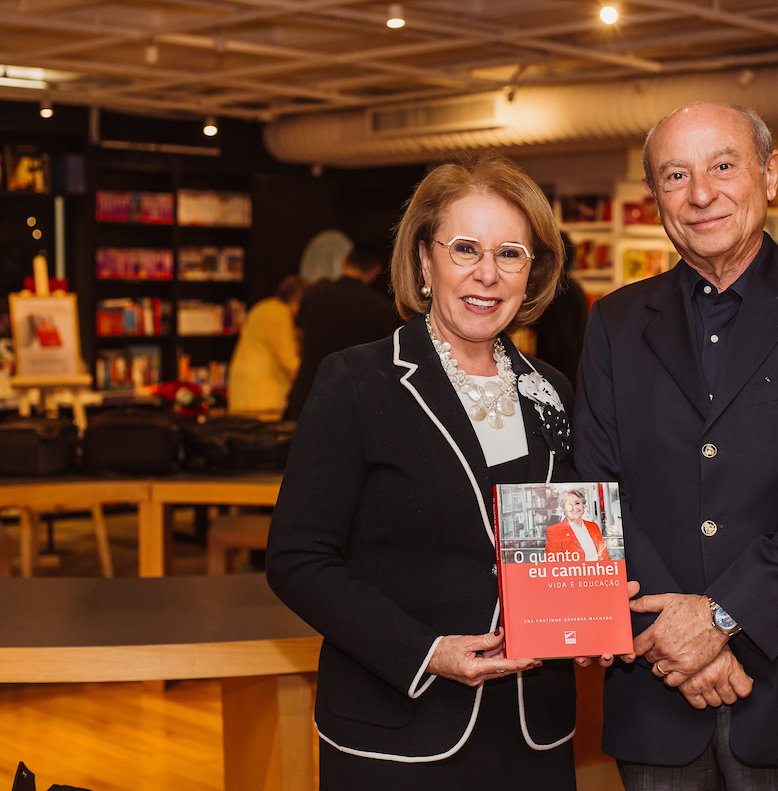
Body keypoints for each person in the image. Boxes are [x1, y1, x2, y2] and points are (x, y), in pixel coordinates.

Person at [575, 102, 778, 789]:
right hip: (657, 687)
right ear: (656, 195)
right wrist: (677, 636)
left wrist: (722, 616)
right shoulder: (616, 323)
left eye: (723, 166)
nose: (701, 194)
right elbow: (596, 490)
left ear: (770, 173)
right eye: (675, 175)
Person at [266, 153, 582, 789]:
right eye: (465, 248)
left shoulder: (553, 390)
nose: (487, 274)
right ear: (422, 261)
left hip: (531, 732)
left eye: (511, 254)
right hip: (402, 728)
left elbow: (568, 544)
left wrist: (591, 610)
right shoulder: (357, 382)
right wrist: (426, 652)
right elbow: (298, 559)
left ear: (534, 271)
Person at [284, 243, 397, 420]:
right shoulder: (380, 308)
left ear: (345, 261)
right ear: (375, 271)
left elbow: (299, 337)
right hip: (350, 403)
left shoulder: (313, 294)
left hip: (307, 396)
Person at [226, 275, 306, 417]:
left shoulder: (266, 307)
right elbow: (289, 361)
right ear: (296, 301)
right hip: (261, 393)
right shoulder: (278, 314)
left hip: (247, 387)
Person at [531, 232, 590, 388]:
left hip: (553, 369)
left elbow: (560, 336)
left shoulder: (553, 291)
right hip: (572, 369)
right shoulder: (576, 290)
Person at [544, 488, 608, 561]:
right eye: (569, 504)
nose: (574, 508)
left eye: (577, 503)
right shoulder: (554, 531)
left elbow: (604, 555)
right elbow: (552, 563)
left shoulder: (593, 526)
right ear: (563, 508)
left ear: (583, 505)